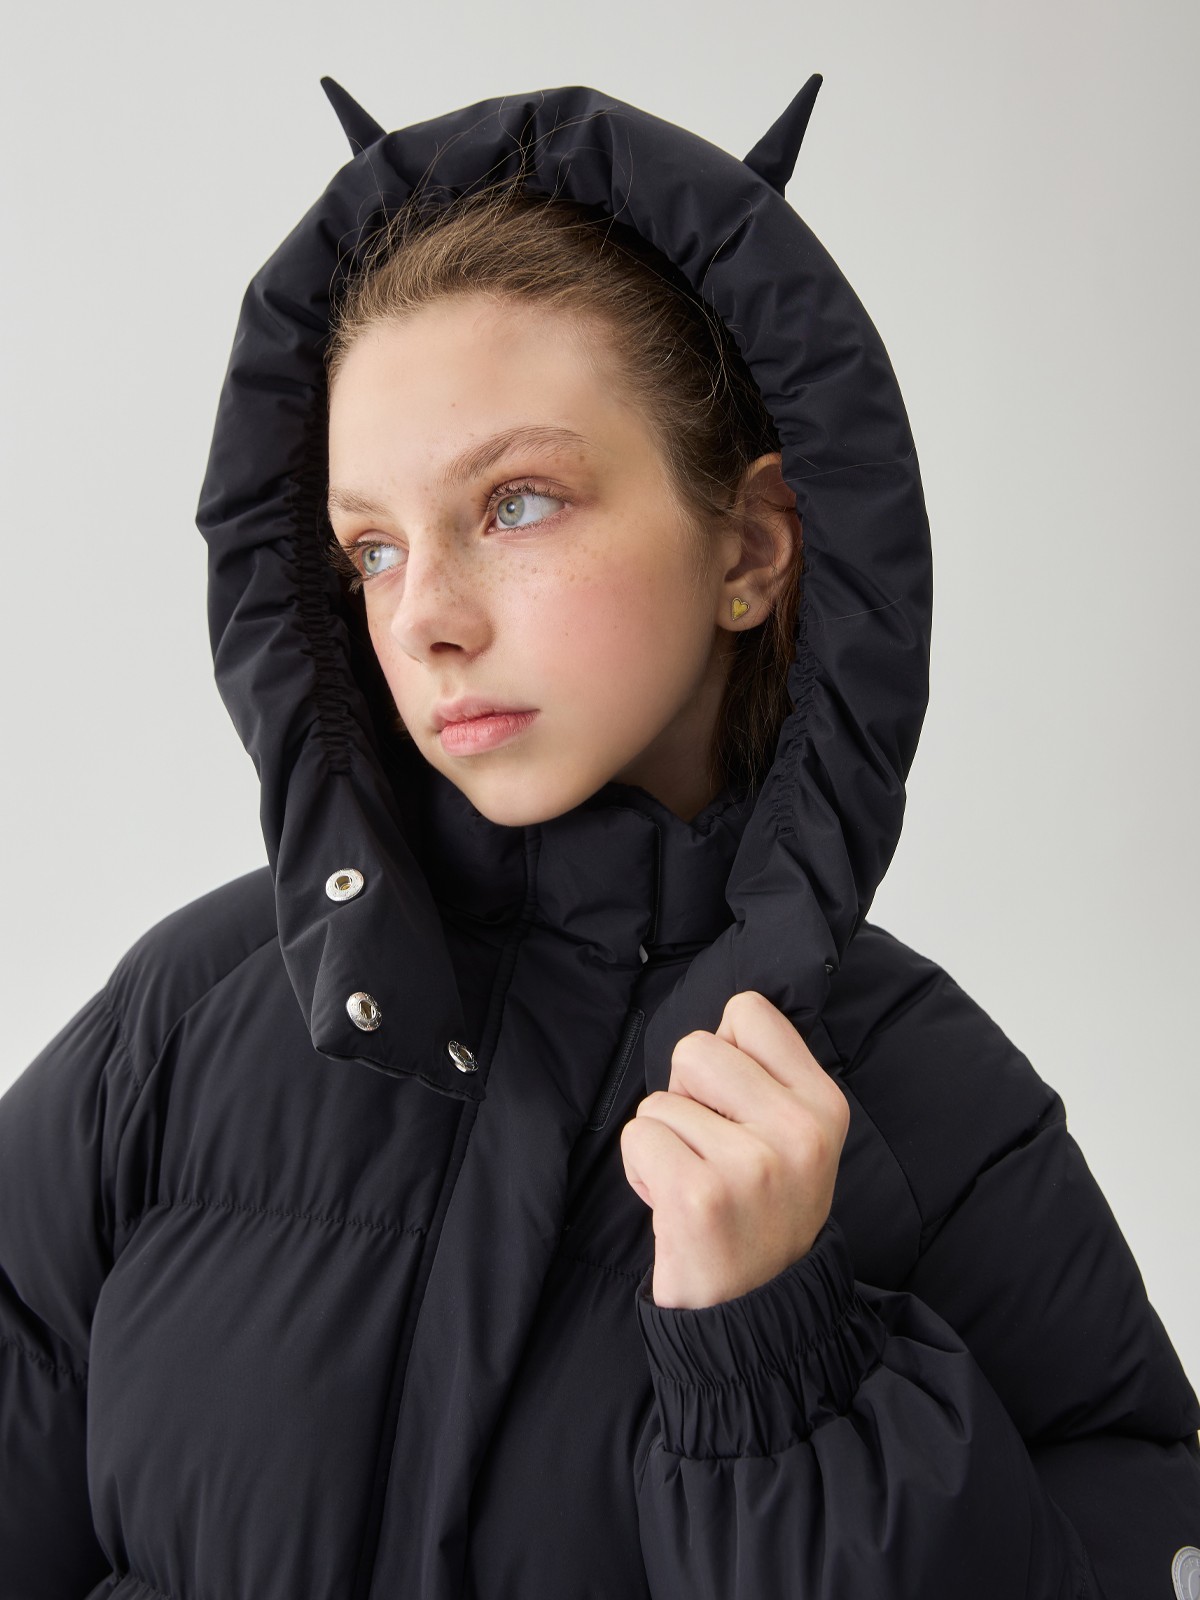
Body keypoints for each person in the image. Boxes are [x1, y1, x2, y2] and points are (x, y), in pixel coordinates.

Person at [1, 75, 1197, 1600]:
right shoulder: (187, 1017)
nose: (423, 619)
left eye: (516, 504)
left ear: (750, 549)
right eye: (372, 546)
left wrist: (778, 1366)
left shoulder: (933, 1116)